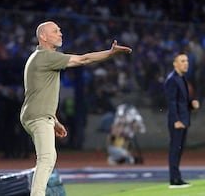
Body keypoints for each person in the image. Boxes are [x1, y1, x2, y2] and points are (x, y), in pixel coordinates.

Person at [20, 21, 132, 196]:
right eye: (55, 31)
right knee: (47, 159)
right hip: (38, 117)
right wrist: (110, 53)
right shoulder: (46, 56)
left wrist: (54, 120)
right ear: (43, 36)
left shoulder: (38, 57)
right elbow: (84, 59)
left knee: (47, 158)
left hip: (35, 115)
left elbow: (38, 93)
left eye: (60, 30)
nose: (60, 33)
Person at [164, 53, 200, 188]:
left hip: (184, 119)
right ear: (175, 63)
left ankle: (177, 177)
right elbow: (171, 102)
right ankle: (174, 179)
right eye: (182, 61)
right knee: (175, 149)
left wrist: (192, 104)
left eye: (187, 61)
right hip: (178, 120)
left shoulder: (182, 78)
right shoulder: (172, 80)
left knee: (179, 149)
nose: (186, 63)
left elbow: (182, 101)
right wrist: (176, 120)